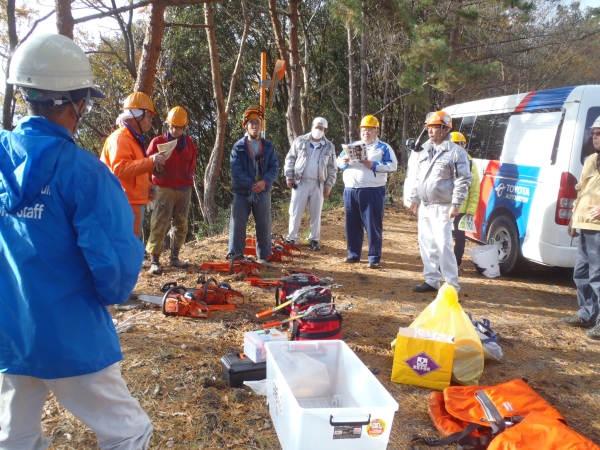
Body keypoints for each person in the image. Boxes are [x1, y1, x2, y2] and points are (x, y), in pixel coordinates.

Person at [0, 33, 152, 449]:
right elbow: (115, 266)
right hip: (70, 330)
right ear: (74, 103)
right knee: (129, 431)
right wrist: (109, 295)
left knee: (15, 435)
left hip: (9, 329)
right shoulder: (85, 173)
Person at [409, 111, 472, 293]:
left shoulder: (456, 153)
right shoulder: (425, 150)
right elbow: (418, 177)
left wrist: (456, 204)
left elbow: (463, 180)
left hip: (443, 207)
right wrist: (414, 197)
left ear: (445, 129)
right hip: (426, 206)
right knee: (426, 243)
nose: (430, 131)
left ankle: (452, 285)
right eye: (429, 127)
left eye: (435, 127)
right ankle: (431, 280)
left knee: (444, 245)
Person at [336, 115, 398, 269]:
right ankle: (353, 254)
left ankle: (374, 257)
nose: (366, 133)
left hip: (372, 190)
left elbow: (392, 166)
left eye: (370, 130)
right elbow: (337, 161)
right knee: (352, 224)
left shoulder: (383, 147)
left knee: (372, 224)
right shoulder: (352, 145)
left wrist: (374, 165)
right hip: (351, 189)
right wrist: (342, 162)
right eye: (364, 130)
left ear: (376, 131)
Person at [101, 91, 165, 238]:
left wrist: (149, 188)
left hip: (133, 202)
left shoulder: (133, 140)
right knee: (124, 250)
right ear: (136, 115)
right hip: (123, 204)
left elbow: (135, 170)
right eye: (148, 116)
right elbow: (118, 169)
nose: (150, 120)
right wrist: (151, 161)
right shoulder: (120, 139)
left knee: (129, 248)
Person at [146, 106, 198, 274]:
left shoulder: (189, 144)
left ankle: (174, 258)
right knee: (159, 222)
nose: (174, 130)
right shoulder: (157, 142)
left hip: (184, 188)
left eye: (178, 127)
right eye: (172, 126)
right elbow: (146, 164)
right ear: (168, 125)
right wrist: (151, 181)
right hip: (163, 187)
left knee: (181, 223)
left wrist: (189, 178)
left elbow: (192, 164)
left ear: (184, 128)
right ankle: (155, 261)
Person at [562, 116, 600, 340]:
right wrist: (573, 218)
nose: (595, 137)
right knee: (582, 272)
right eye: (594, 133)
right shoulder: (591, 160)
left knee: (598, 274)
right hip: (584, 223)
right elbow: (581, 191)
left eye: (599, 133)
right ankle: (587, 314)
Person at [227, 105, 279, 268]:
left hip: (262, 189)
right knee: (238, 223)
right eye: (252, 123)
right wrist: (251, 184)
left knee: (264, 223)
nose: (255, 126)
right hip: (243, 191)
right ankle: (236, 256)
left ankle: (263, 256)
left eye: (257, 123)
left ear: (261, 125)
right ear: (246, 126)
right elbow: (236, 170)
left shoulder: (268, 146)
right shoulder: (238, 147)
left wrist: (264, 182)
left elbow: (274, 167)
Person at [284, 117, 337, 251]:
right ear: (312, 126)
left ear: (325, 130)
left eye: (321, 128)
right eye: (317, 127)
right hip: (300, 182)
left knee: (316, 213)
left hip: (318, 184)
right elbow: (290, 158)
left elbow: (332, 167)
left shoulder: (329, 146)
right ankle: (291, 238)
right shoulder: (300, 141)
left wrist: (328, 185)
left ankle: (314, 239)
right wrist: (289, 176)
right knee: (295, 212)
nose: (318, 130)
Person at [450, 132, 480, 268]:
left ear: (464, 145)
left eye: (458, 144)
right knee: (444, 237)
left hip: (461, 209)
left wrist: (471, 210)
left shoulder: (471, 163)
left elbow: (474, 189)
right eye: (453, 144)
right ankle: (443, 263)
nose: (456, 147)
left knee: (459, 237)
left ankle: (456, 263)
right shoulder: (445, 159)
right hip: (445, 207)